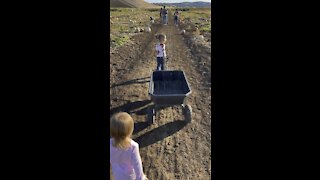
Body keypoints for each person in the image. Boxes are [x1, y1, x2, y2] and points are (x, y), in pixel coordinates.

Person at [110, 112, 148, 180]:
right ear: (130, 130)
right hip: (130, 177)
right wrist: (142, 178)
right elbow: (137, 166)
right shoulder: (133, 147)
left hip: (117, 175)